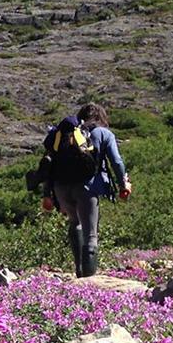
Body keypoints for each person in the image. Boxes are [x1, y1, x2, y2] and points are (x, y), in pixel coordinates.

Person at [39, 103, 131, 277]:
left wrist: (47, 194)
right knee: (91, 235)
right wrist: (123, 185)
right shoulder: (104, 133)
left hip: (61, 188)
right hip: (87, 188)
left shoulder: (66, 133)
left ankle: (79, 272)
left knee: (75, 222)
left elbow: (49, 162)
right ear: (102, 117)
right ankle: (88, 281)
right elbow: (117, 162)